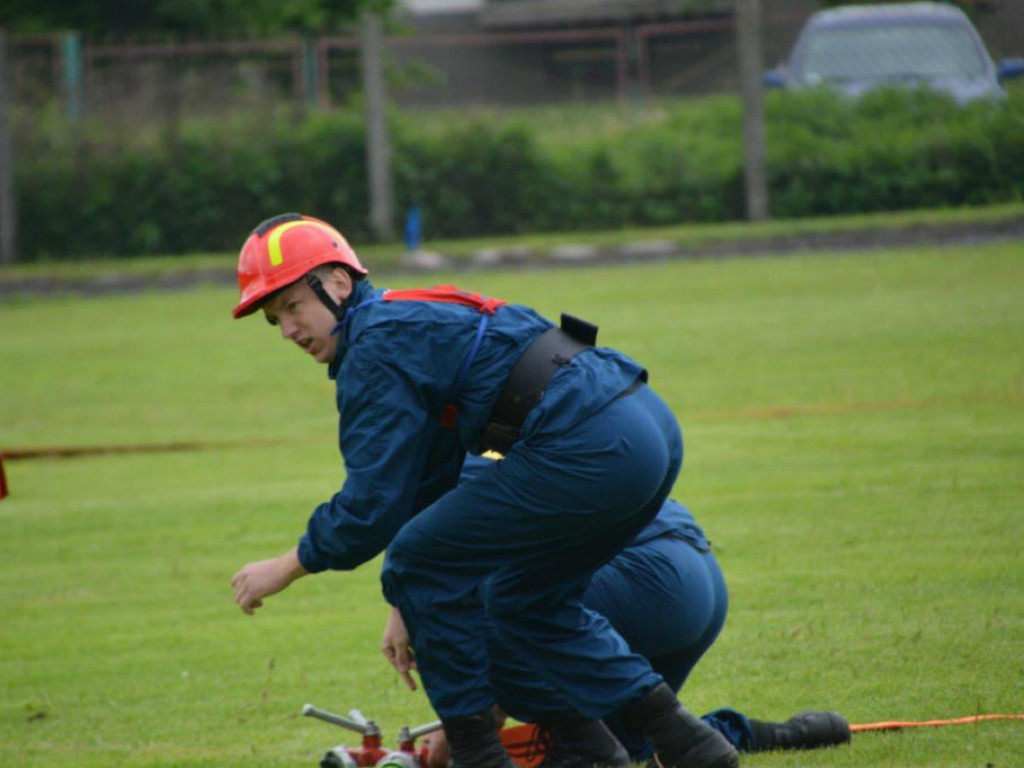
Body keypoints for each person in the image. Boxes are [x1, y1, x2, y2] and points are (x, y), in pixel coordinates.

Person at [231, 212, 740, 768]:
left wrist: (288, 564)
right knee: (525, 603)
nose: (287, 330)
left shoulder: (374, 347)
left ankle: (480, 758)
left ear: (336, 283)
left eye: (292, 307)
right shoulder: (406, 318)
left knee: (417, 562)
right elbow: (431, 482)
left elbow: (371, 509)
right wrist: (410, 597)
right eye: (273, 317)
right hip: (642, 423)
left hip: (591, 443)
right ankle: (681, 746)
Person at [382, 455, 851, 768]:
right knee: (643, 738)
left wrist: (462, 734)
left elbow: (483, 624)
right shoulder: (497, 440)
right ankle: (767, 735)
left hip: (642, 581)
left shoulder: (448, 470)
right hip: (697, 576)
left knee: (455, 614)